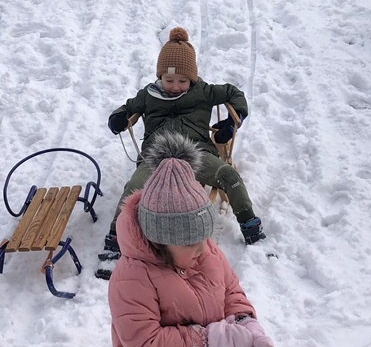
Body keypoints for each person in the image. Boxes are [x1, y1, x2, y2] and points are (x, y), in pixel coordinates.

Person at [108, 132, 282, 347]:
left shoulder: (205, 250)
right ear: (160, 240)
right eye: (191, 242)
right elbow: (147, 345)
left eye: (205, 236)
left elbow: (230, 290)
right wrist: (210, 341)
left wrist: (246, 323)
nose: (203, 248)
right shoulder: (132, 277)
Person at [104, 27, 265, 258]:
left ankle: (250, 225)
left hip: (196, 153)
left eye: (183, 80)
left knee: (229, 176)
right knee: (133, 189)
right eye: (169, 80)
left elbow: (234, 93)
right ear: (160, 77)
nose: (175, 86)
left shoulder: (203, 91)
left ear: (192, 78)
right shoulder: (148, 94)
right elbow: (127, 108)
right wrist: (118, 118)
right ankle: (115, 240)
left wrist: (232, 121)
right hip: (156, 157)